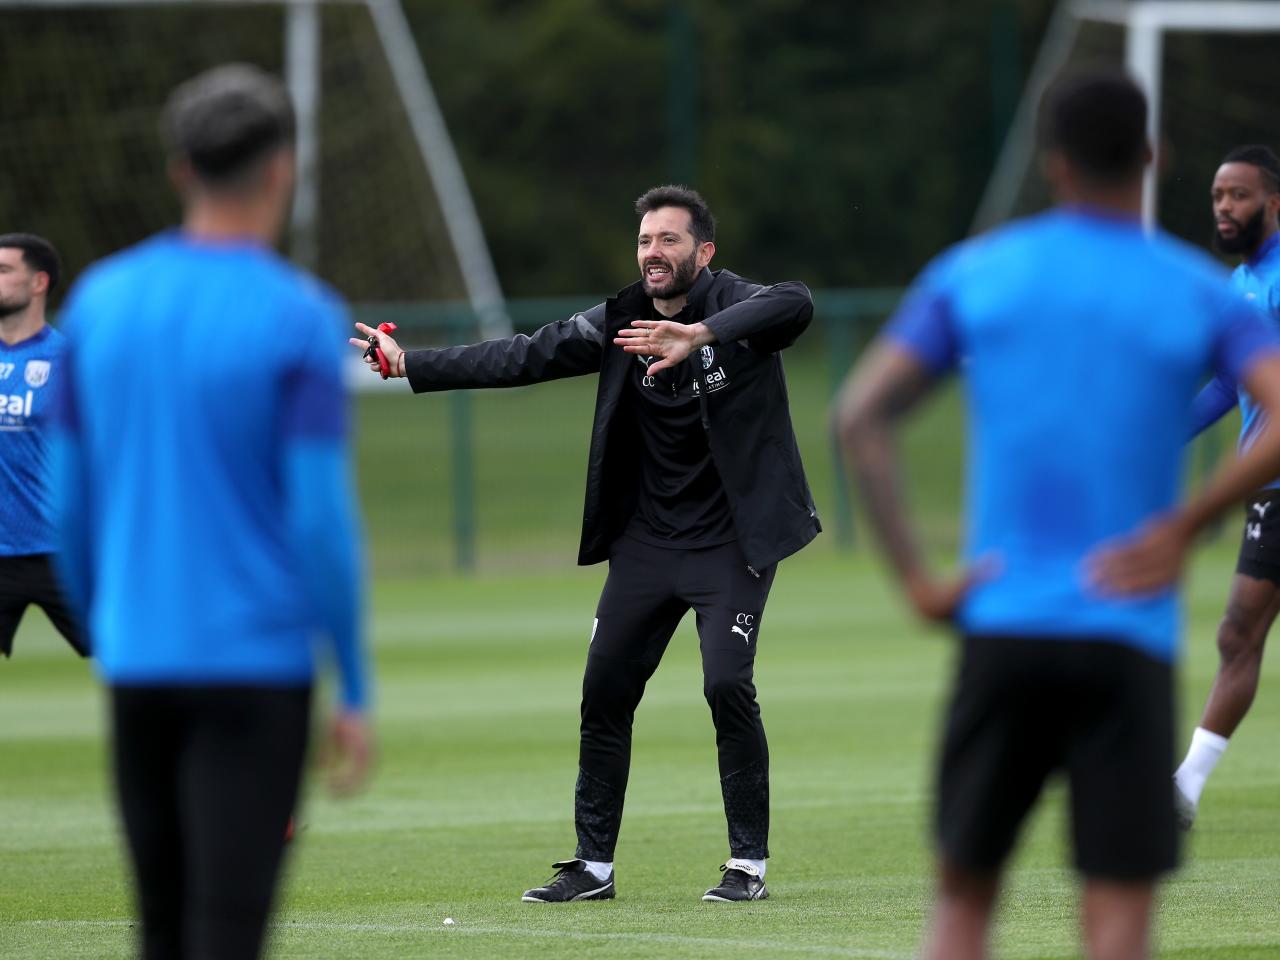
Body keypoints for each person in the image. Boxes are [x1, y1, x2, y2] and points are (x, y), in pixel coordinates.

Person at [836, 73, 1280, 960]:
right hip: (1128, 637)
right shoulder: (1199, 291)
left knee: (962, 905)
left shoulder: (978, 270)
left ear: (1053, 162)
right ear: (1154, 158)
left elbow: (858, 415)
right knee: (1117, 919)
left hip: (1002, 621)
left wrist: (923, 582)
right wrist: (1185, 523)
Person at [354, 185, 819, 903]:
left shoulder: (737, 307)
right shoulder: (619, 318)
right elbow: (520, 356)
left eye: (668, 239)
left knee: (727, 683)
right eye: (643, 240)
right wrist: (410, 364)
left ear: (704, 251)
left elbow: (795, 301)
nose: (652, 253)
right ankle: (591, 867)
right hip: (648, 544)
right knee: (604, 690)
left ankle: (746, 866)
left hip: (731, 544)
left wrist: (703, 335)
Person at [51, 64, 373, 960]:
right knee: (226, 935)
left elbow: (68, 506)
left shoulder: (100, 302)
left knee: (159, 930)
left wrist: (111, 625)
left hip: (140, 658)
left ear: (179, 169)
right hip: (255, 667)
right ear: (283, 169)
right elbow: (319, 521)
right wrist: (352, 680)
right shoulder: (301, 316)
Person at [1174, 145, 1280, 829]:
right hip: (1268, 486)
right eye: (1218, 196)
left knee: (1240, 627)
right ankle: (1182, 789)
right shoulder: (1237, 286)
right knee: (1239, 630)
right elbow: (1224, 383)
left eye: (1239, 195)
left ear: (1274, 202)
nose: (1225, 207)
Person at [0, 233, 89, 660]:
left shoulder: (72, 361)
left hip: (61, 552)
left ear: (38, 283)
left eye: (3, 271)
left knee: (137, 661)